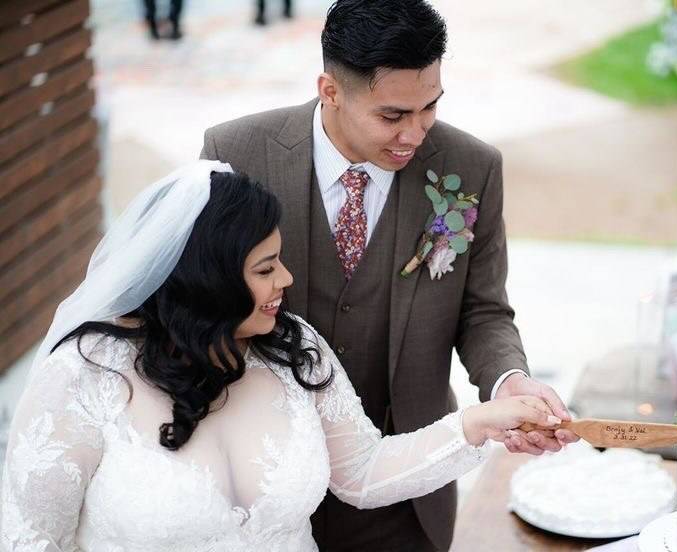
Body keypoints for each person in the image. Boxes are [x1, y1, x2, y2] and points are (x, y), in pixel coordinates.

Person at [0, 161, 561, 551]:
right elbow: (30, 540)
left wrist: (482, 423)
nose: (285, 280)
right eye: (265, 269)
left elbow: (362, 473)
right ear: (206, 280)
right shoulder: (83, 377)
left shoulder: (294, 349)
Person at [200, 1, 578, 549]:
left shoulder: (470, 167)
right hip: (264, 479)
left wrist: (508, 380)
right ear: (331, 91)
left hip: (410, 478)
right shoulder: (234, 154)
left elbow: (483, 309)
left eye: (430, 107)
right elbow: (200, 301)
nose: (416, 134)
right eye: (393, 116)